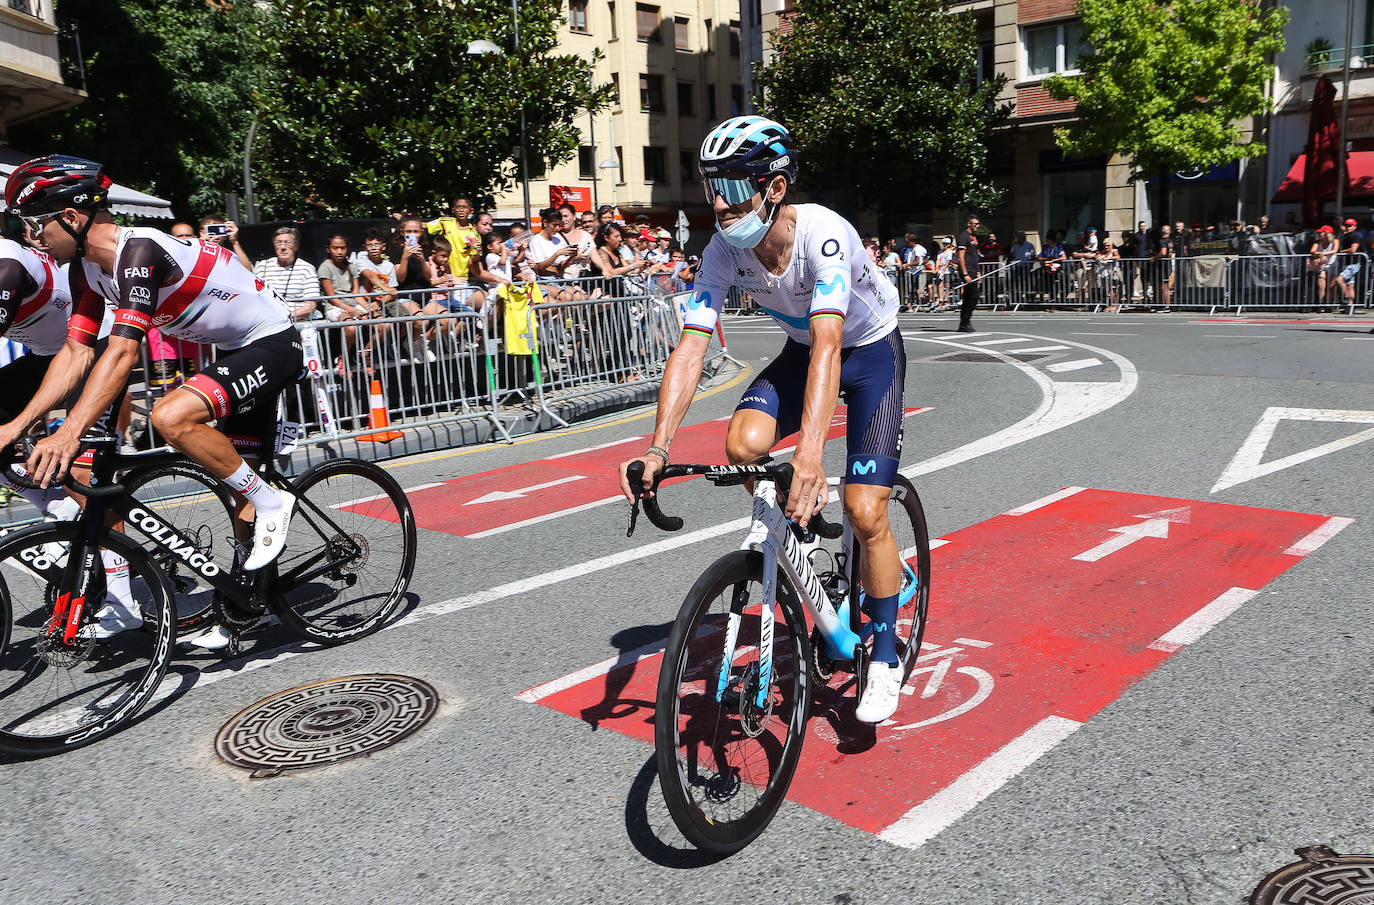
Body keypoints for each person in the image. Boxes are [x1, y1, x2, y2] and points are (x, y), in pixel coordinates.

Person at [618, 116, 909, 723]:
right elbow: (691, 347)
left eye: (732, 185)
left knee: (865, 509)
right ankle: (806, 533)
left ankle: (883, 653)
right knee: (743, 447)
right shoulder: (722, 250)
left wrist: (810, 458)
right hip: (805, 354)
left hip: (868, 352)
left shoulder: (825, 234)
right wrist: (658, 448)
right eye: (710, 186)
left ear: (773, 188)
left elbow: (832, 346)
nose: (718, 203)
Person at [3, 155, 302, 647]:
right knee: (236, 489)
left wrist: (69, 430)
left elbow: (122, 350)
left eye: (37, 223)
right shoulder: (85, 270)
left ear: (73, 219)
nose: (33, 237)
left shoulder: (139, 251)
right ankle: (250, 599)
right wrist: (18, 425)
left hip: (273, 341)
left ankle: (274, 499)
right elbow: (76, 352)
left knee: (170, 416)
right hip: (232, 349)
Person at [254, 227, 318, 323]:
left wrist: (286, 317)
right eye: (279, 243)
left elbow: (311, 306)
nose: (283, 247)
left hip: (298, 321)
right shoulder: (262, 267)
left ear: (295, 246)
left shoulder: (306, 269)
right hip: (267, 323)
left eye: (287, 243)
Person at [954, 215, 982, 331]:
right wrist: (965, 274)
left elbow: (975, 255)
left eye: (978, 224)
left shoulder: (973, 237)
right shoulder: (963, 236)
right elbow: (961, 256)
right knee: (974, 295)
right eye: (975, 224)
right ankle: (965, 321)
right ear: (969, 224)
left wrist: (978, 272)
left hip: (974, 270)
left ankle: (964, 322)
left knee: (969, 296)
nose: (977, 226)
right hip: (968, 270)